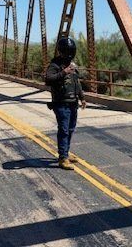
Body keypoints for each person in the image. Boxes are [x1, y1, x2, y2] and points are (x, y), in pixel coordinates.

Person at [45, 37, 86, 170]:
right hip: (61, 103)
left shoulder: (72, 64)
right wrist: (63, 72)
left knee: (70, 129)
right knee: (63, 130)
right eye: (67, 51)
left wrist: (82, 97)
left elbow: (76, 82)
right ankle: (63, 158)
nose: (69, 54)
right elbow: (48, 79)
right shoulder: (55, 65)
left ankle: (66, 154)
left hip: (73, 103)